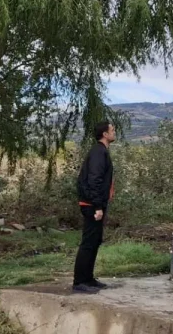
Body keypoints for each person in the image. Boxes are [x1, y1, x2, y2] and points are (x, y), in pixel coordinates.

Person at [73, 121, 116, 294]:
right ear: (105, 134)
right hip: (92, 204)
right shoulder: (99, 152)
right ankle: (79, 281)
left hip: (96, 203)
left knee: (95, 241)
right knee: (88, 243)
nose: (114, 132)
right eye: (112, 130)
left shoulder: (101, 152)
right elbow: (94, 180)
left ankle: (88, 278)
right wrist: (98, 206)